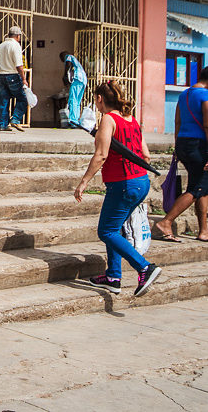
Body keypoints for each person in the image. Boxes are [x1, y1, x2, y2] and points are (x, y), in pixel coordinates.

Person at [74, 80, 162, 297]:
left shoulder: (108, 119)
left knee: (107, 231)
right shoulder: (131, 119)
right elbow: (146, 154)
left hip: (124, 184)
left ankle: (144, 267)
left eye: (96, 100)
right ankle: (113, 276)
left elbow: (101, 155)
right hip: (140, 182)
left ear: (100, 99)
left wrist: (84, 181)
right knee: (116, 229)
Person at [154, 66, 208, 243]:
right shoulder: (206, 97)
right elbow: (207, 126)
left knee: (202, 186)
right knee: (196, 187)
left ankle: (203, 231)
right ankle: (166, 221)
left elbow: (177, 122)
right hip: (199, 145)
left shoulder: (184, 95)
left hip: (183, 143)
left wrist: (177, 146)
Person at [0, 25, 27, 132]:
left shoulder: (1, 46)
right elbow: (19, 65)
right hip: (12, 75)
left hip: (1, 75)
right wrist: (23, 79)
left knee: (3, 101)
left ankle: (3, 124)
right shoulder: (15, 46)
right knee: (23, 99)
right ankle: (16, 119)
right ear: (18, 36)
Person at [60, 50, 87, 126]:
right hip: (83, 80)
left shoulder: (68, 57)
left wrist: (65, 75)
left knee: (73, 100)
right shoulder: (76, 61)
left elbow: (68, 64)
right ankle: (76, 120)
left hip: (77, 79)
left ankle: (73, 121)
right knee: (77, 101)